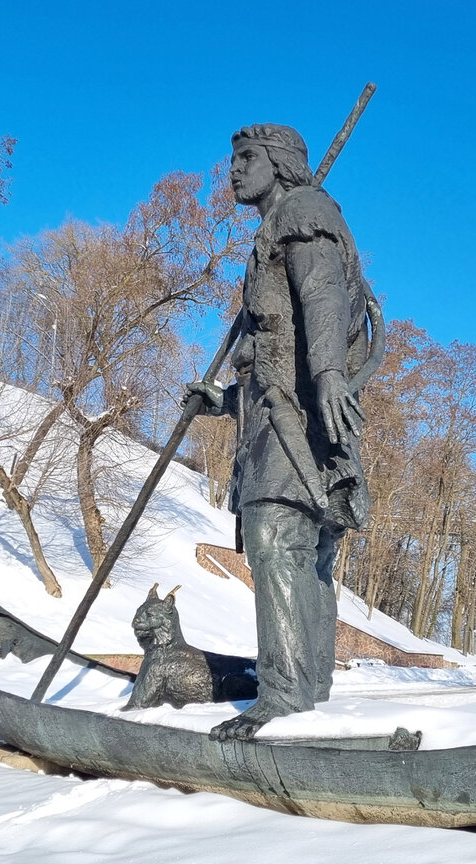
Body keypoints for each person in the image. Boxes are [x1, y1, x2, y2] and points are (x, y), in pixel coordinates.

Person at [189, 123, 373, 742]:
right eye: (232, 159)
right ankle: (311, 689)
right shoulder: (274, 231)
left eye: (245, 158)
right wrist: (221, 400)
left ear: (280, 163)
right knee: (304, 549)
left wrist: (327, 375)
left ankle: (286, 696)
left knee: (275, 537)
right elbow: (273, 353)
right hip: (284, 409)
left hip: (300, 416)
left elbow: (323, 296)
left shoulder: (303, 212)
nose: (233, 170)